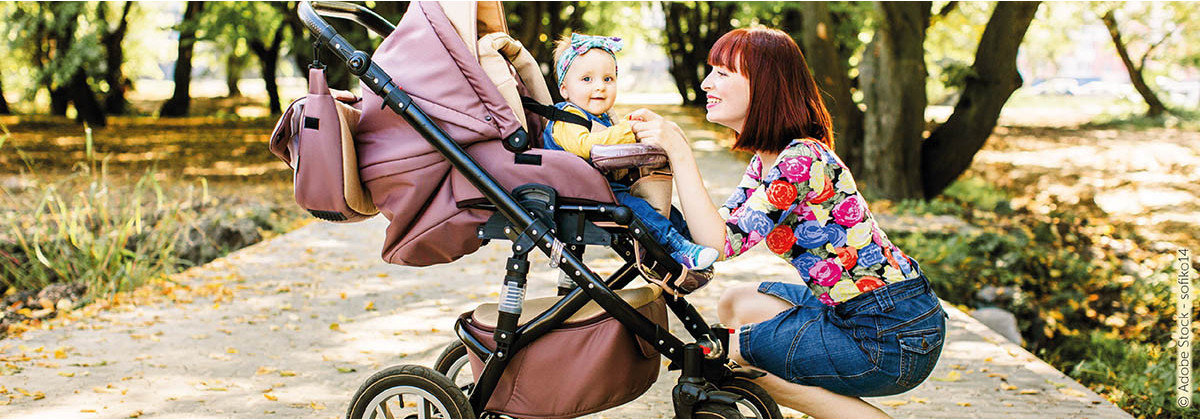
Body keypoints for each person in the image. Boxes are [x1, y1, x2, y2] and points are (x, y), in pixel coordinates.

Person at [629, 27, 946, 418]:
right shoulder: (768, 159)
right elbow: (717, 228)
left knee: (732, 352)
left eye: (722, 73)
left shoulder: (800, 160)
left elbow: (718, 246)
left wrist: (680, 152)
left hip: (890, 334)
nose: (707, 83)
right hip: (868, 312)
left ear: (765, 86)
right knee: (735, 303)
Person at [544, 32, 718, 271]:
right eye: (587, 79)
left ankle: (690, 240)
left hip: (601, 188)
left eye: (608, 79)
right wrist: (628, 131)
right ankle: (677, 247)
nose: (600, 86)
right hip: (578, 192)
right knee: (637, 208)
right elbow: (587, 146)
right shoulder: (567, 116)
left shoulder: (601, 118)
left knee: (662, 209)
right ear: (565, 89)